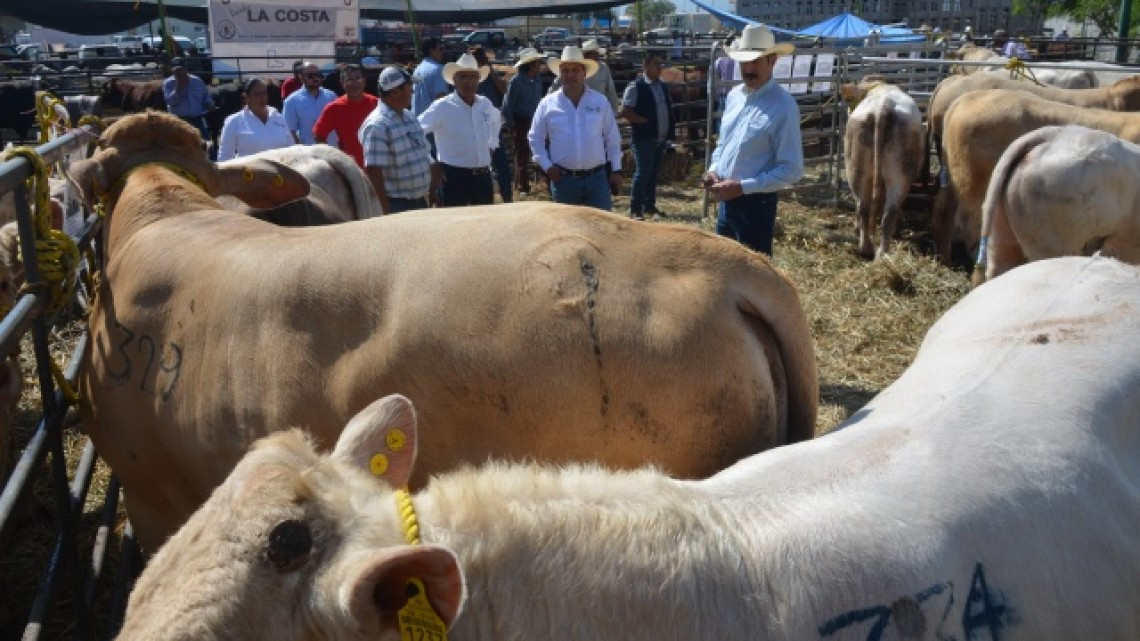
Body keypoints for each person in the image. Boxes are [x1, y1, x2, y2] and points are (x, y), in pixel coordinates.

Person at [703, 23, 803, 256]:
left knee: (751, 282)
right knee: (724, 271)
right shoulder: (735, 96)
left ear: (772, 61)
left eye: (755, 61)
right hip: (727, 201)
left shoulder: (783, 107)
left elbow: (792, 169)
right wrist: (713, 170)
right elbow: (723, 144)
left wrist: (742, 187)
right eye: (744, 62)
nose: (748, 68)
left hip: (756, 206)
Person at [528, 46, 622, 210]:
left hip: (597, 179)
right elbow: (535, 138)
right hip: (564, 180)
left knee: (601, 229)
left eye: (575, 70)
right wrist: (547, 166)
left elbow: (612, 137)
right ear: (560, 74)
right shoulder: (547, 104)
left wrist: (616, 169)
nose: (570, 75)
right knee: (568, 232)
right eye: (565, 70)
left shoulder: (600, 102)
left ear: (584, 73)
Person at [419, 53, 501, 207]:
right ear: (454, 80)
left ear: (478, 80)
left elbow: (496, 121)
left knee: (483, 225)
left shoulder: (485, 104)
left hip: (482, 177)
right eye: (463, 76)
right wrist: (431, 163)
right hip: (454, 178)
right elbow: (416, 132)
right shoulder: (442, 106)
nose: (469, 82)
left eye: (473, 77)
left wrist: (491, 145)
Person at [361, 66, 434, 214]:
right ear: (395, 92)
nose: (412, 92)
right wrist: (385, 209)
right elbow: (374, 171)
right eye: (409, 87)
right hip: (397, 205)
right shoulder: (378, 125)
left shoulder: (409, 116)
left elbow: (424, 151)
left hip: (419, 201)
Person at [619, 50, 674, 220]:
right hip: (644, 137)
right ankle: (636, 209)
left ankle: (649, 205)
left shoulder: (662, 85)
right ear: (646, 66)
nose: (660, 67)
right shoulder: (636, 86)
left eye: (660, 64)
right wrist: (642, 122)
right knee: (643, 173)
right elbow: (625, 111)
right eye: (656, 64)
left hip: (659, 137)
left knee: (653, 172)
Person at [312, 64, 378, 167]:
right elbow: (318, 135)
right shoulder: (334, 108)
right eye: (349, 80)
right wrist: (331, 159)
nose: (354, 83)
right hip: (351, 170)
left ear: (364, 81)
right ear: (342, 84)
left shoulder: (376, 104)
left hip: (377, 167)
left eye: (357, 78)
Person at [470, 45, 513, 203]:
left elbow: (503, 89)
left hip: (492, 125)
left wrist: (489, 70)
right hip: (475, 126)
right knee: (480, 164)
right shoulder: (469, 78)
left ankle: (507, 197)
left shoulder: (489, 76)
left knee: (501, 164)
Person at [215, 77, 294, 160]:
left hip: (280, 171)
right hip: (249, 172)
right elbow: (225, 156)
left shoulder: (279, 118)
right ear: (246, 97)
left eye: (264, 93)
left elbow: (291, 149)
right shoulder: (234, 121)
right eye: (257, 94)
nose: (262, 97)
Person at [502, 47, 545, 196]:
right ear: (532, 64)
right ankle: (523, 185)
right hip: (521, 121)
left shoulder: (537, 80)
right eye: (538, 62)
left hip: (536, 120)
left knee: (541, 150)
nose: (540, 65)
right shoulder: (516, 82)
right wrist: (511, 124)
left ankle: (545, 181)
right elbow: (507, 105)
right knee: (522, 154)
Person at [548, 39, 619, 113]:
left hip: (599, 109)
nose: (595, 56)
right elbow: (555, 87)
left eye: (595, 53)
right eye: (591, 53)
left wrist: (613, 112)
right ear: (585, 55)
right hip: (577, 108)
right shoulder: (571, 70)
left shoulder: (604, 68)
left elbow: (611, 91)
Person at [163, 57, 215, 152]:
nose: (179, 73)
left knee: (205, 145)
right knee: (180, 147)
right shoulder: (168, 84)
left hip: (197, 118)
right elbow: (170, 102)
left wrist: (209, 104)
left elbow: (206, 96)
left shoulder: (197, 81)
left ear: (186, 69)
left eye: (181, 70)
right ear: (172, 71)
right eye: (176, 70)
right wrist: (179, 87)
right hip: (179, 120)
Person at [282, 61, 337, 145]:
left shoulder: (331, 96)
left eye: (318, 74)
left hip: (332, 151)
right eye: (310, 75)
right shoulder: (292, 101)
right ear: (301, 77)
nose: (315, 78)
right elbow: (289, 131)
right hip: (308, 153)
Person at [412, 37, 448, 118]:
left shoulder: (417, 70)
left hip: (417, 120)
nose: (442, 52)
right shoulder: (438, 69)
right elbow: (441, 98)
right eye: (440, 49)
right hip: (432, 123)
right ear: (432, 51)